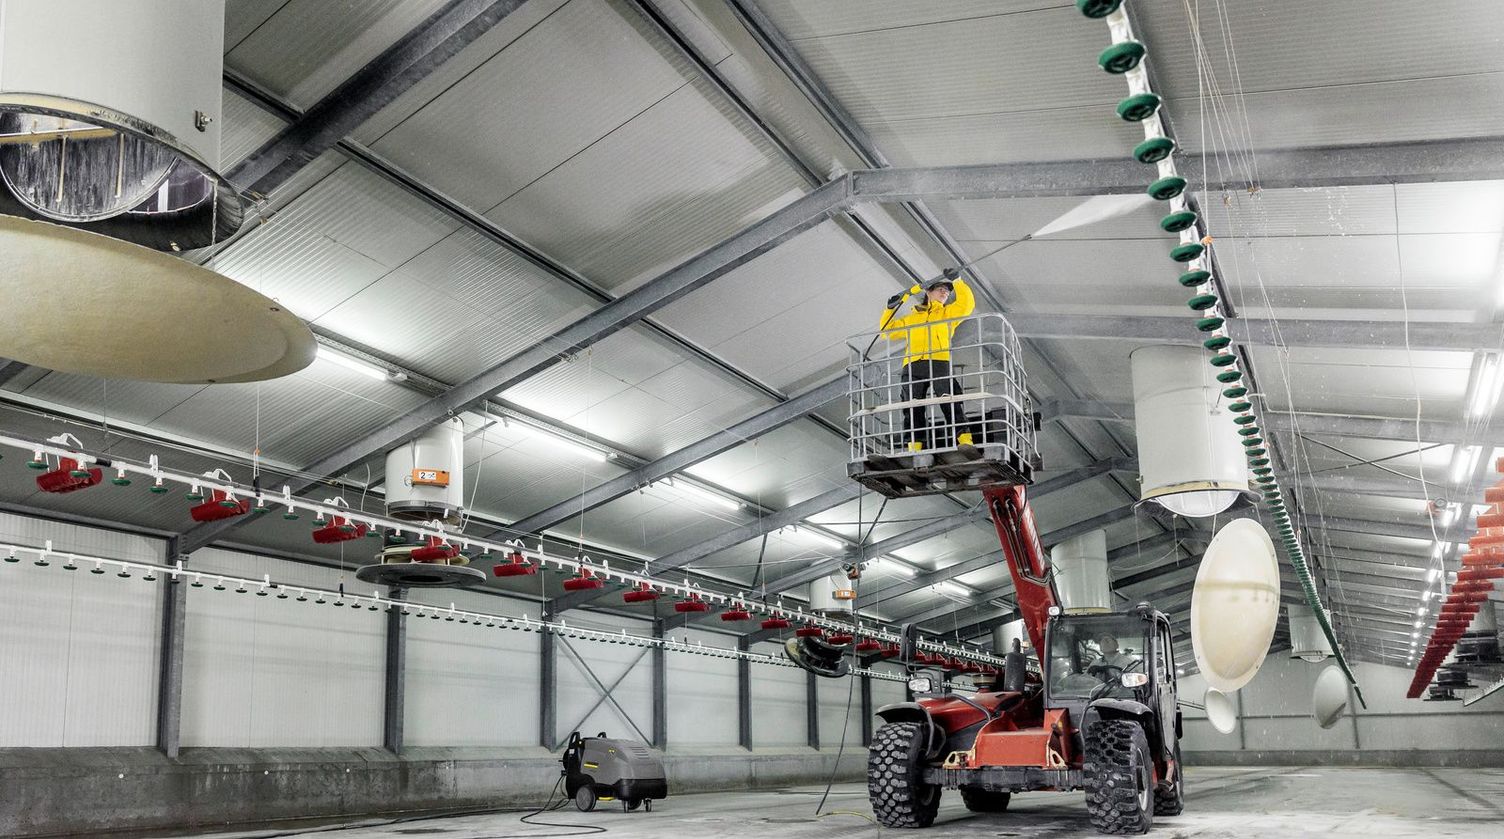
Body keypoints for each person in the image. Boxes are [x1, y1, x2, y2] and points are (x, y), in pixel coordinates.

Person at [880, 271, 976, 451]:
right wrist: (890, 309)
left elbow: (967, 305)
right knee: (912, 406)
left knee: (949, 400)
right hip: (913, 365)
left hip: (938, 361)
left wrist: (958, 281)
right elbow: (887, 331)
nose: (945, 293)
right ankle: (914, 447)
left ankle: (964, 439)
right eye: (940, 289)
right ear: (928, 292)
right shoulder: (912, 318)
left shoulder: (948, 314)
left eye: (947, 292)